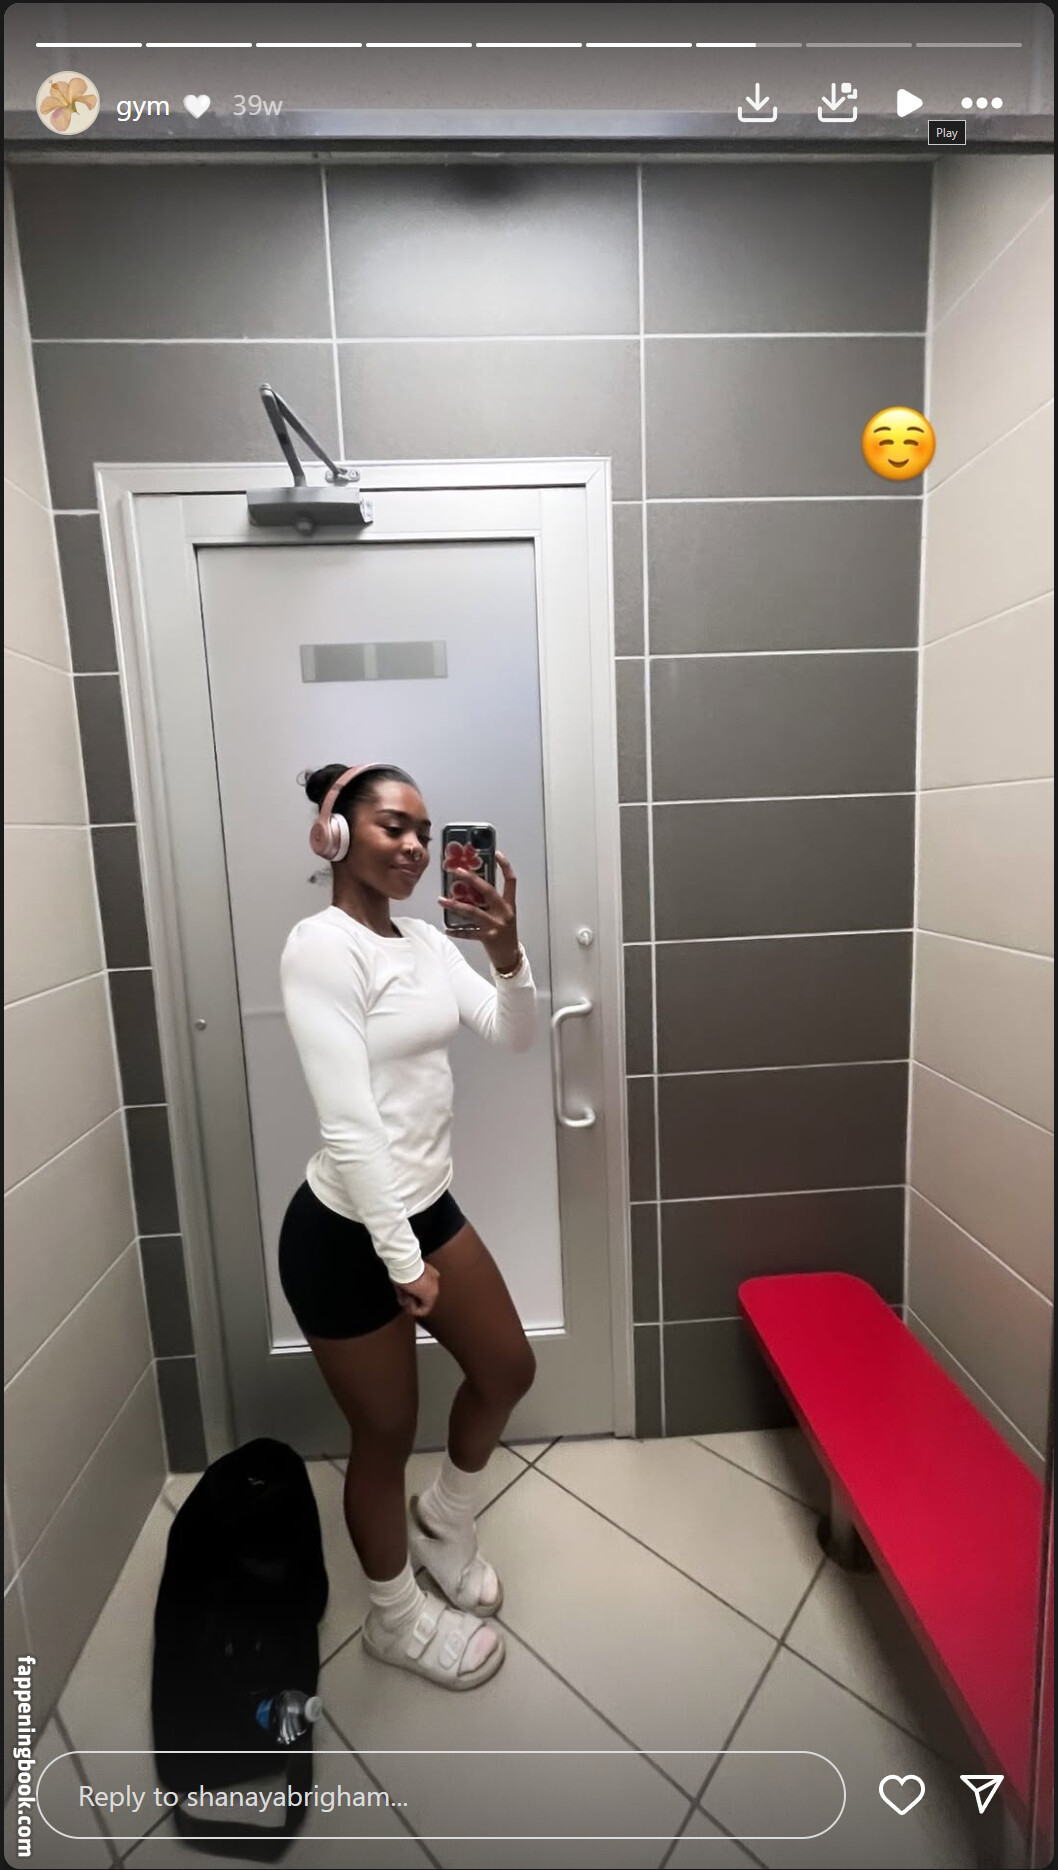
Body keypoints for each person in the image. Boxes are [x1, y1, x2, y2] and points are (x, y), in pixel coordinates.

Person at [278, 762, 538, 1691]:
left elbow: (512, 1033)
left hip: (425, 1209)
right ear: (337, 833)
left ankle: (445, 1519)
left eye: (426, 832)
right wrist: (401, 1261)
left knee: (507, 1368)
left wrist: (507, 954)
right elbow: (350, 1126)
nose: (418, 848)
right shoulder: (320, 947)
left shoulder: (427, 942)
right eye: (394, 826)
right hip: (344, 1230)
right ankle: (392, 1620)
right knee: (385, 1432)